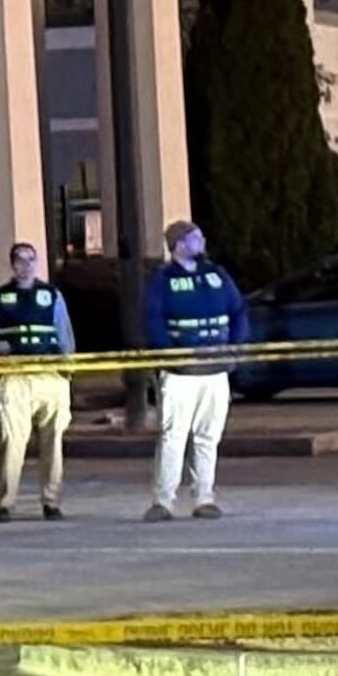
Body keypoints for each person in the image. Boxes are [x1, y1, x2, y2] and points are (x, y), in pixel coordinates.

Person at [142, 220, 250, 521]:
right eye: (195, 237)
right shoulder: (163, 279)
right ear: (179, 245)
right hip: (181, 373)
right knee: (173, 437)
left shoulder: (216, 275)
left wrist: (235, 347)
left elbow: (238, 310)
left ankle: (204, 497)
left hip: (215, 370)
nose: (202, 241)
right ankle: (163, 501)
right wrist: (170, 354)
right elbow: (152, 319)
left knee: (208, 436)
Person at [0, 240, 75, 520]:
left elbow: (64, 336)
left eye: (31, 259)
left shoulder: (51, 296)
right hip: (14, 376)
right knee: (12, 442)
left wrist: (67, 372)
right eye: (21, 259)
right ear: (12, 264)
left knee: (53, 442)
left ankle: (51, 502)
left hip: (49, 375)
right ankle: (4, 504)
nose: (27, 265)